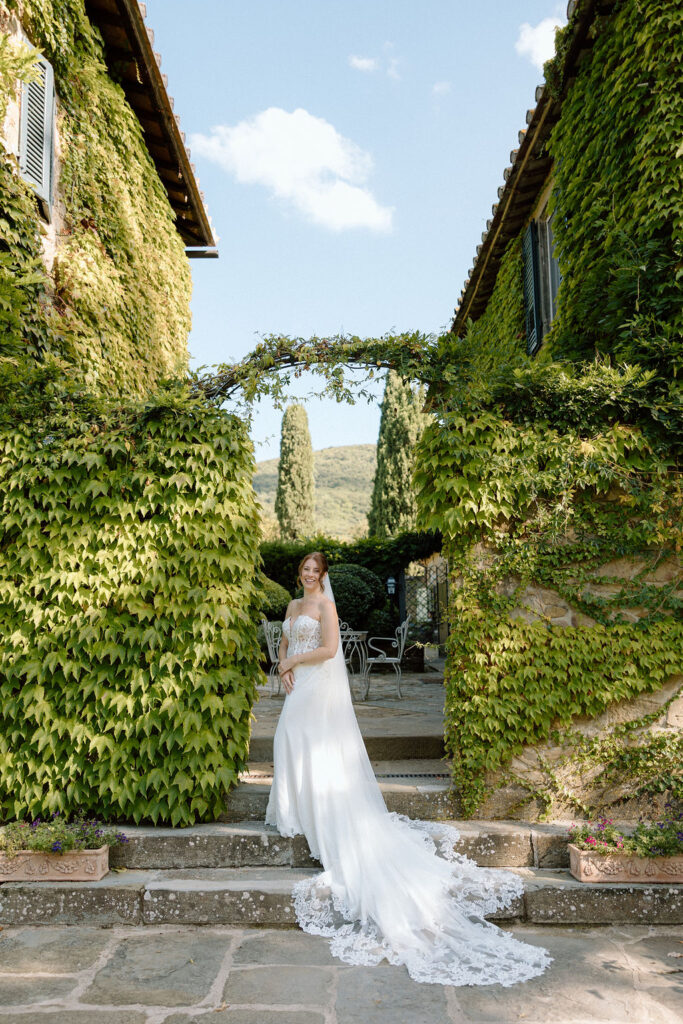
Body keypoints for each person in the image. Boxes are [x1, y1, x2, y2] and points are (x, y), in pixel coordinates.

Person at [264, 551, 551, 987]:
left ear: (322, 577)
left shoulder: (326, 605)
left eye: (313, 572)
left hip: (316, 684)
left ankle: (317, 812)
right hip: (296, 683)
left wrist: (292, 663)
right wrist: (282, 664)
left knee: (306, 743)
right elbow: (286, 640)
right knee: (288, 740)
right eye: (303, 571)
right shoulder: (290, 605)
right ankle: (295, 811)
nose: (307, 576)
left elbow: (328, 649)